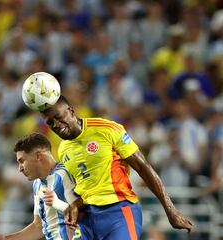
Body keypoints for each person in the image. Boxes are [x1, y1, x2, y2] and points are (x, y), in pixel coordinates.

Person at [41, 95, 193, 239]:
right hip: (88, 220)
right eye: (50, 122)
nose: (56, 125)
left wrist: (170, 210)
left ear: (71, 111)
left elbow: (143, 167)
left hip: (119, 213)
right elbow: (87, 189)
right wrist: (74, 205)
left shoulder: (107, 129)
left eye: (59, 118)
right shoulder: (63, 149)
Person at [0, 132, 83, 240]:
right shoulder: (37, 184)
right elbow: (38, 226)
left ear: (38, 156)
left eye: (22, 161)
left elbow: (82, 216)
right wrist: (6, 239)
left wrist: (58, 204)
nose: (20, 168)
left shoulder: (64, 175)